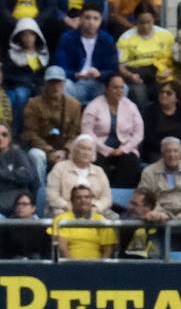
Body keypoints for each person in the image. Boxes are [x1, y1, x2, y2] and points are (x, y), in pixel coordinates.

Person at [137, 135, 181, 248]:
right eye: (168, 151)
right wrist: (157, 212)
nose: (172, 155)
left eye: (175, 151)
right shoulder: (149, 172)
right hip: (161, 216)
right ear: (162, 153)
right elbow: (144, 196)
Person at [23, 66, 81, 194]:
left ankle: (72, 192)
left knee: (80, 151)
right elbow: (30, 133)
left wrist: (65, 150)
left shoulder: (74, 105)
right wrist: (49, 150)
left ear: (64, 83)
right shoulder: (33, 104)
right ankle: (40, 191)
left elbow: (75, 133)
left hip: (64, 147)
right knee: (36, 155)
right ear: (45, 84)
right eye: (52, 83)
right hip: (42, 147)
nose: (55, 87)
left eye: (59, 83)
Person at [81, 72, 142, 187]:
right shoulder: (94, 106)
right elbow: (87, 132)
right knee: (96, 162)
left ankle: (119, 198)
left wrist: (124, 149)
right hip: (98, 148)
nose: (119, 91)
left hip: (124, 148)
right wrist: (106, 149)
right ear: (106, 88)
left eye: (121, 88)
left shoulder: (131, 106)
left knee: (131, 162)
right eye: (115, 87)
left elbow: (138, 133)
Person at [114, 2, 174, 108]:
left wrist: (169, 70)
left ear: (154, 20)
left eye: (149, 22)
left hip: (159, 72)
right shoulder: (126, 38)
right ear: (136, 21)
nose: (145, 26)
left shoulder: (166, 35)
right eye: (141, 23)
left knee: (167, 92)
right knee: (139, 94)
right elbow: (120, 66)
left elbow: (176, 60)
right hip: (136, 74)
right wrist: (130, 76)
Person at [54, 3, 116, 104]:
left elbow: (113, 68)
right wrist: (75, 75)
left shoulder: (107, 40)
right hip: (75, 83)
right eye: (87, 18)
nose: (91, 22)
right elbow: (60, 66)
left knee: (121, 88)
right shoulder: (67, 38)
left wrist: (99, 74)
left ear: (101, 21)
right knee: (62, 86)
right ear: (81, 19)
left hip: (98, 83)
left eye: (96, 19)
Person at [46, 132, 110, 214]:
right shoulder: (60, 168)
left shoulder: (99, 171)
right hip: (65, 210)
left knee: (113, 218)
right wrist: (69, 207)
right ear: (74, 150)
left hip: (93, 211)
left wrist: (95, 208)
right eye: (82, 148)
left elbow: (107, 198)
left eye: (89, 149)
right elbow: (52, 195)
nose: (86, 153)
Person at [49, 182, 117, 258]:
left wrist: (101, 267)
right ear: (72, 200)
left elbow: (109, 249)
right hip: (68, 265)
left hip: (97, 266)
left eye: (87, 197)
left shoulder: (102, 221)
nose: (83, 200)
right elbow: (61, 247)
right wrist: (72, 266)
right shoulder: (61, 219)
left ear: (92, 200)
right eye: (78, 197)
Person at [4, 18, 48, 129]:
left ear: (36, 36)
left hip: (38, 86)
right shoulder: (12, 55)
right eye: (24, 35)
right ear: (19, 36)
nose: (28, 38)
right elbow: (7, 75)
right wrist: (23, 81)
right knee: (21, 95)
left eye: (31, 35)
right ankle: (15, 130)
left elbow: (44, 74)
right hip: (20, 86)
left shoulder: (42, 54)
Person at [139, 79, 181, 163]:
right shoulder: (150, 111)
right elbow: (148, 136)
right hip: (157, 150)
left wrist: (176, 149)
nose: (164, 95)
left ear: (177, 98)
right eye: (162, 92)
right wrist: (166, 149)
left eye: (169, 93)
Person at [0, 119, 37, 213]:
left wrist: (3, 174)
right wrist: (14, 175)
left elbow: (27, 175)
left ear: (9, 138)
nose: (0, 138)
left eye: (4, 135)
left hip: (17, 203)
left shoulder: (18, 154)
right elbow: (20, 175)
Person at [1, 191, 49, 258]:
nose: (20, 207)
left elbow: (46, 252)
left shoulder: (41, 228)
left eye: (24, 204)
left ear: (33, 208)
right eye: (18, 204)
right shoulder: (7, 226)